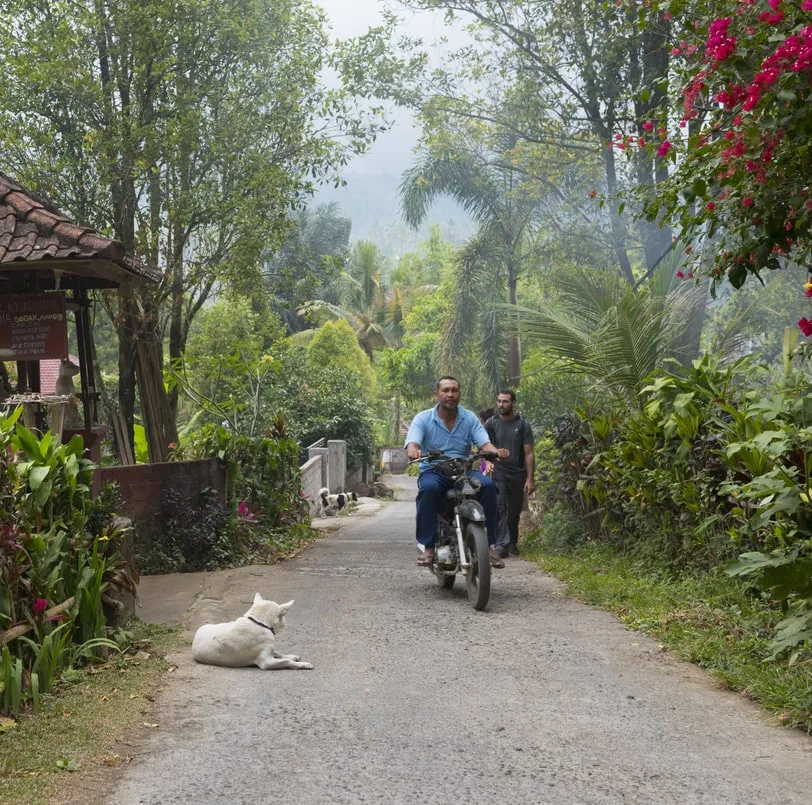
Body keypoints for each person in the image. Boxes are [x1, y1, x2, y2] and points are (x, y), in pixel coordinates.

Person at [405, 377, 507, 569]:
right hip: (434, 471)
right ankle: (428, 546)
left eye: (454, 390)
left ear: (460, 394)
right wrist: (413, 450)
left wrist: (495, 452)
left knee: (488, 487)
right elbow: (413, 443)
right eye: (445, 390)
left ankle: (489, 544)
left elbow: (484, 443)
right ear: (437, 394)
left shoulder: (469, 419)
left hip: (464, 471)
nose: (450, 394)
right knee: (428, 489)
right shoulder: (423, 419)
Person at [485, 390, 535, 558]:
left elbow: (529, 453)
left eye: (505, 401)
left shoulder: (522, 425)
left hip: (517, 473)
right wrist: (489, 462)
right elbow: (484, 447)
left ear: (513, 403)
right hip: (499, 471)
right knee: (500, 507)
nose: (501, 405)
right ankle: (501, 544)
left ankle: (512, 542)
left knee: (513, 510)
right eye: (499, 401)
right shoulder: (491, 424)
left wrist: (530, 479)